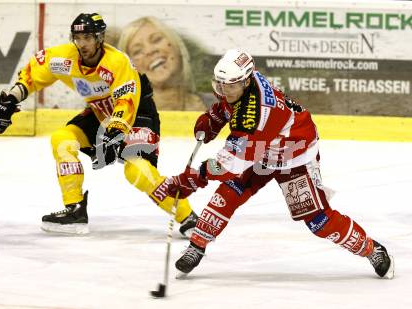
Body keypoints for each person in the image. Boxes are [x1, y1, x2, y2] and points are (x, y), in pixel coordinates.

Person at [166, 49, 395, 279]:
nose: (224, 91)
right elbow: (229, 107)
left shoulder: (257, 114)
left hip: (294, 157)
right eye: (220, 85)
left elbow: (228, 164)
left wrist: (194, 179)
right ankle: (196, 246)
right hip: (260, 151)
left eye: (230, 86)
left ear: (246, 82)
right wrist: (213, 119)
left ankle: (371, 249)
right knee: (226, 196)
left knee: (318, 221)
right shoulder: (241, 86)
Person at [0, 13, 198, 236]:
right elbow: (32, 74)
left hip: (137, 114)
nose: (82, 43)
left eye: (88, 37)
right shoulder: (63, 59)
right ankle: (75, 209)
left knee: (136, 170)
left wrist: (115, 131)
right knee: (62, 139)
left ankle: (188, 217)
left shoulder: (117, 62)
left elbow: (126, 102)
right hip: (99, 115)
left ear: (99, 38)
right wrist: (10, 100)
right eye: (78, 38)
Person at [117, 16, 205, 111]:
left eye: (156, 40)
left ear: (176, 45)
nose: (150, 51)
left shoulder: (217, 106)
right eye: (137, 51)